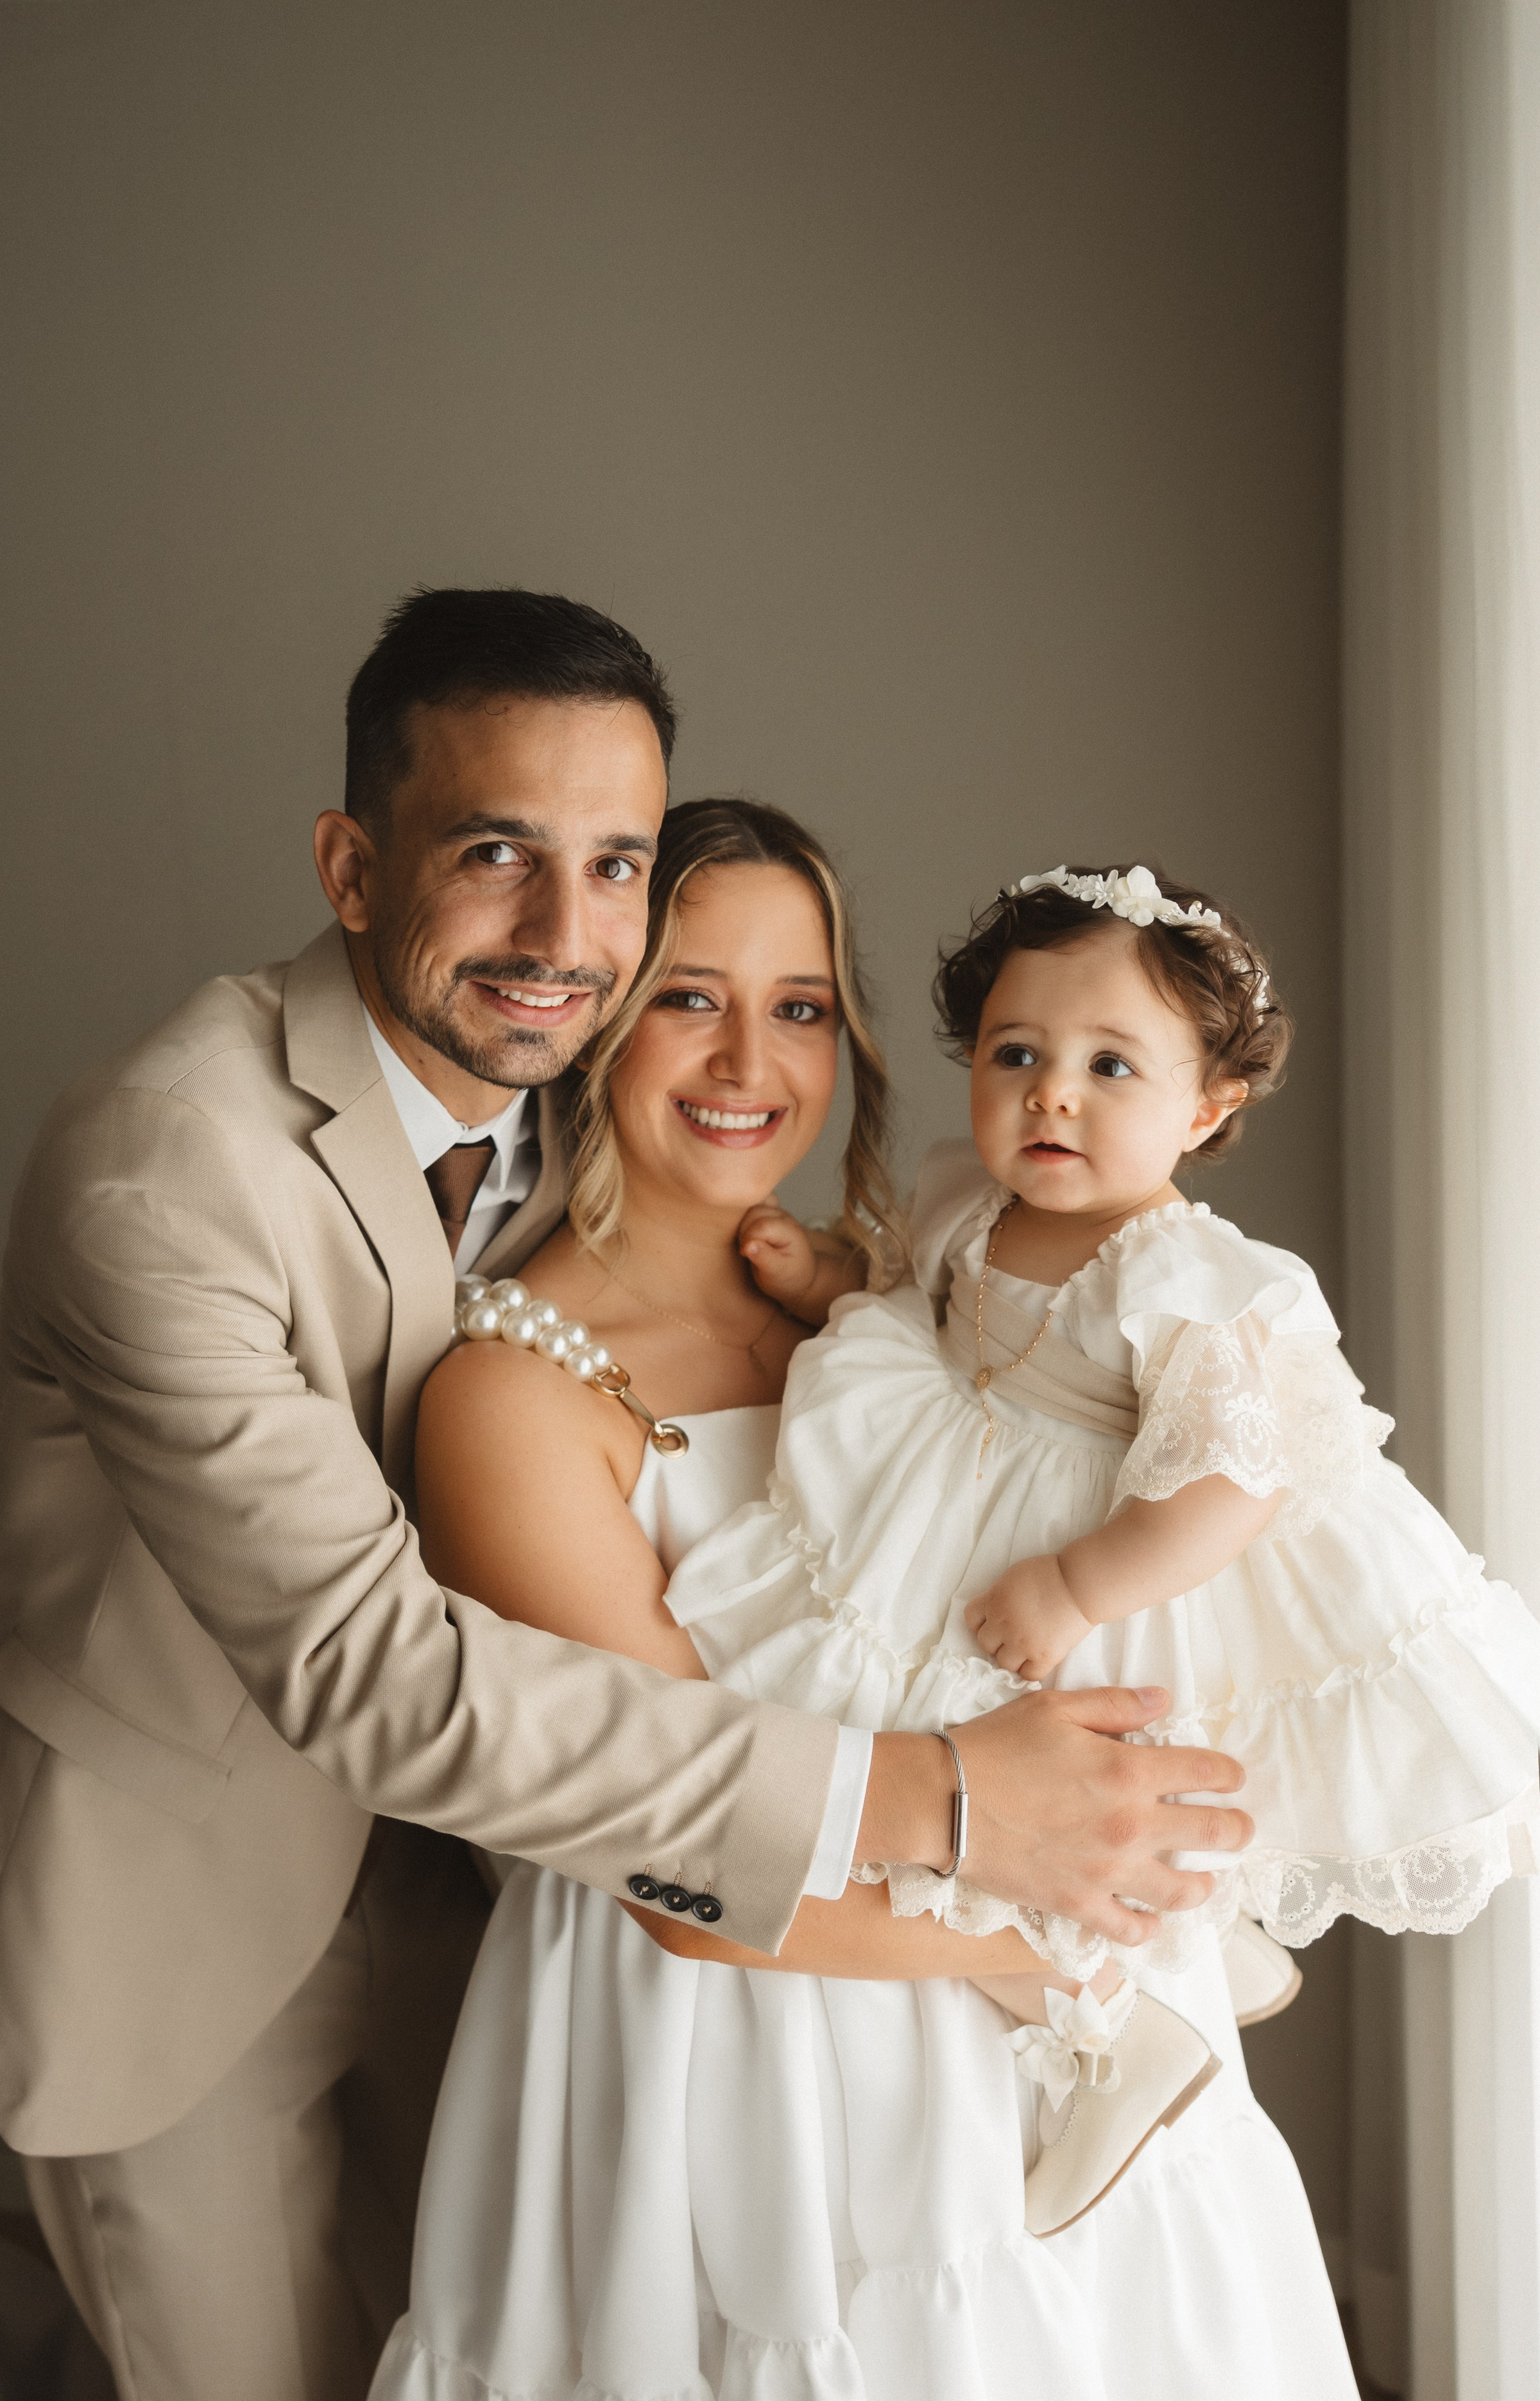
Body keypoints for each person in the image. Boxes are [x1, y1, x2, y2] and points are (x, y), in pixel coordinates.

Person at [0, 601, 1247, 2401]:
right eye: (493, 853)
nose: (562, 934)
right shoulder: (165, 1170)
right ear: (351, 865)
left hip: (490, 1886)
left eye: (614, 866)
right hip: (184, 1895)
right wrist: (945, 1804)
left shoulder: (597, 1113)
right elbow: (376, 1667)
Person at [371, 804, 1355, 2401]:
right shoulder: (514, 1396)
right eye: (689, 996)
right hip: (744, 2047)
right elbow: (666, 1862)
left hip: (1059, 2019)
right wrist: (1068, 1917)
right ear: (597, 1011)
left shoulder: (914, 1305)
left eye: (800, 1005)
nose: (747, 1059)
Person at [669, 859, 1540, 2237]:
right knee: (894, 1749)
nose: (1051, 1094)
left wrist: (1079, 1586)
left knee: (1027, 1795)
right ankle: (1178, 1954)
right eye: (1015, 1052)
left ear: (1206, 1107)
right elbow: (930, 1297)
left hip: (1100, 1560)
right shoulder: (971, 1198)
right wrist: (828, 1276)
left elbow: (1233, 1479)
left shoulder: (1183, 1273)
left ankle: (1116, 2021)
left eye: (1109, 1066)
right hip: (950, 1499)